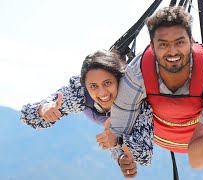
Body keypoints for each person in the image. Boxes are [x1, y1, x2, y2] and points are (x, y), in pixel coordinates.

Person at [107, 6, 203, 169]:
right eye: (163, 45)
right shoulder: (136, 75)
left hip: (201, 137)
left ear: (192, 42)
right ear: (152, 47)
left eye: (179, 42)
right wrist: (122, 157)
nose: (172, 51)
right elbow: (118, 127)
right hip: (158, 135)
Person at [20, 49, 154, 178]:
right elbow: (26, 115)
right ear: (85, 85)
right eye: (93, 86)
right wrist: (42, 110)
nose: (102, 93)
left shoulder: (135, 98)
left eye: (107, 83)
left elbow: (144, 153)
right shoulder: (80, 93)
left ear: (119, 80)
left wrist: (118, 142)